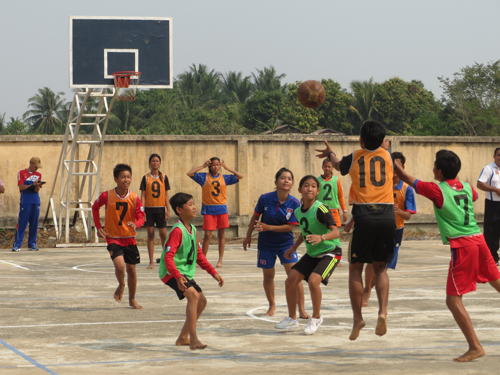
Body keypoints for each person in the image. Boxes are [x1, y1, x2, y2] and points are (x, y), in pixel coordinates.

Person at [394, 149, 500, 362]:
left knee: (453, 301)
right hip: (480, 242)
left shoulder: (437, 189)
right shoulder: (468, 188)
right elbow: (471, 190)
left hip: (463, 247)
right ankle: (474, 346)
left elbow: (406, 177)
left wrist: (387, 155)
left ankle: (475, 347)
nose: (432, 168)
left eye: (435, 165)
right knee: (497, 283)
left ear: (439, 171)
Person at [315, 120, 395, 340]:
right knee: (380, 270)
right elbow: (386, 153)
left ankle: (358, 318)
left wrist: (331, 153)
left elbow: (338, 165)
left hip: (364, 216)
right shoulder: (388, 156)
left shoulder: (355, 156)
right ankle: (383, 312)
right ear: (383, 141)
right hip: (388, 216)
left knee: (355, 270)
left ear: (360, 139)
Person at [275, 175, 341, 335]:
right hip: (313, 253)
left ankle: (316, 317)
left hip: (331, 252)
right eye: (306, 185)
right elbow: (304, 232)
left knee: (313, 281)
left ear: (317, 191)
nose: (309, 188)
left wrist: (321, 237)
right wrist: (294, 247)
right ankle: (292, 319)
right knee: (290, 281)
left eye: (313, 186)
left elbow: (336, 231)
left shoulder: (322, 208)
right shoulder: (298, 211)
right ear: (299, 190)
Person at [159, 192, 224, 350]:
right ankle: (193, 338)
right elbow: (168, 257)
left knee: (202, 301)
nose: (194, 207)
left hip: (184, 273)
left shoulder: (193, 230)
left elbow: (199, 256)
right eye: (190, 204)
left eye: (194, 203)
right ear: (179, 210)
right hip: (171, 273)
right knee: (193, 295)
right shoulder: (177, 231)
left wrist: (213, 272)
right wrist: (177, 276)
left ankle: (183, 337)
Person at [243, 168, 308, 318]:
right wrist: (248, 237)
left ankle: (302, 309)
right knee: (268, 276)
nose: (286, 181)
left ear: (292, 183)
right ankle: (272, 305)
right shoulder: (265, 198)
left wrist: (268, 227)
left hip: (286, 244)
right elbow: (255, 217)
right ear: (276, 182)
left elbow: (290, 227)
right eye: (283, 178)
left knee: (295, 276)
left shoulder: (295, 203)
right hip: (266, 244)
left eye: (289, 178)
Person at [362, 152, 416, 307]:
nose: (393, 168)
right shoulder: (379, 184)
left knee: (383, 266)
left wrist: (399, 211)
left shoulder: (407, 189)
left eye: (397, 165)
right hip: (378, 226)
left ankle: (373, 289)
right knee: (372, 262)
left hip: (395, 230)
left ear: (403, 167)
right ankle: (367, 289)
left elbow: (408, 216)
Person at [92, 164, 145, 309]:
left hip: (129, 238)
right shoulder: (107, 195)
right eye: (123, 177)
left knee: (132, 271)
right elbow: (95, 207)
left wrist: (137, 224)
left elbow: (141, 216)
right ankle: (121, 284)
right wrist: (98, 227)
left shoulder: (134, 197)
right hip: (113, 237)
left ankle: (132, 299)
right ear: (116, 179)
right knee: (120, 267)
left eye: (128, 177)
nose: (126, 179)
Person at [187, 157, 243, 268]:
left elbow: (240, 176)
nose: (216, 167)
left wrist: (227, 168)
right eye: (213, 165)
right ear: (210, 166)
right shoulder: (204, 177)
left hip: (222, 209)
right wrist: (203, 166)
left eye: (218, 165)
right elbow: (189, 173)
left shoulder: (224, 178)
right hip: (209, 209)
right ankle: (203, 259)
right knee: (207, 235)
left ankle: (220, 260)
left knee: (221, 235)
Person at [140, 154, 171, 269]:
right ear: (149, 163)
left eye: (157, 161)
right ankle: (151, 261)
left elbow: (166, 194)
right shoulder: (145, 177)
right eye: (153, 161)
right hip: (149, 209)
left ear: (160, 163)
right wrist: (142, 211)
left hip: (160, 209)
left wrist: (168, 209)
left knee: (163, 235)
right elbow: (143, 195)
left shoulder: (164, 177)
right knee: (150, 235)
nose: (155, 163)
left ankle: (165, 260)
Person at [13, 157, 43, 252]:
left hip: (36, 201)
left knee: (34, 223)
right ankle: (17, 244)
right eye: (36, 166)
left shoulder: (38, 175)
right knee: (22, 222)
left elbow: (37, 190)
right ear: (31, 164)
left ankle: (32, 244)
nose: (37, 168)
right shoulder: (22, 172)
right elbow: (21, 187)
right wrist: (31, 185)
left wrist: (37, 185)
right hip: (25, 201)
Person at [476, 148, 500, 265]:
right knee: (492, 231)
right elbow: (480, 184)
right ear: (494, 156)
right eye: (499, 155)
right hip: (493, 204)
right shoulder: (488, 169)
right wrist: (495, 190)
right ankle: (493, 257)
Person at [317, 158, 347, 227]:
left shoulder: (336, 180)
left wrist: (344, 211)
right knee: (323, 229)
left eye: (329, 166)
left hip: (334, 210)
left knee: (335, 230)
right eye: (325, 166)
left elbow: (340, 196)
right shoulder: (317, 180)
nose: (327, 168)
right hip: (321, 208)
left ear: (332, 167)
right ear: (322, 167)